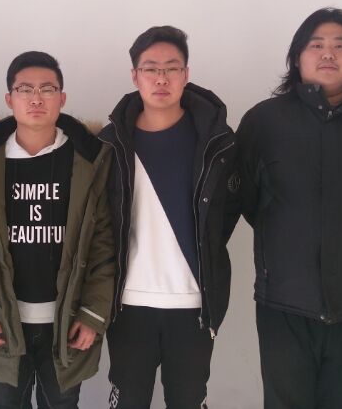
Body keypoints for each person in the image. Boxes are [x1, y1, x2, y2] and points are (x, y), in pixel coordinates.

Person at [234, 7, 342, 409]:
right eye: (316, 45)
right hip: (284, 305)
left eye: (340, 45)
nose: (328, 53)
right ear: (297, 57)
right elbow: (247, 198)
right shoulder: (264, 122)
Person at [0, 51, 114, 408]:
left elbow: (103, 245)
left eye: (47, 89)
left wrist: (93, 314)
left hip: (67, 320)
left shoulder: (88, 162)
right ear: (9, 98)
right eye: (25, 89)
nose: (36, 98)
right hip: (2, 320)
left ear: (62, 98)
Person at [99, 26, 239, 409]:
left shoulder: (216, 143)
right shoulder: (111, 144)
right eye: (151, 68)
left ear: (186, 74)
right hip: (128, 303)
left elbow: (225, 214)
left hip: (193, 303)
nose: (161, 78)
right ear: (135, 76)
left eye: (171, 68)